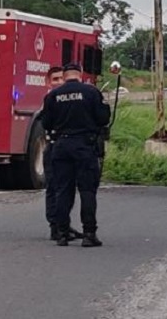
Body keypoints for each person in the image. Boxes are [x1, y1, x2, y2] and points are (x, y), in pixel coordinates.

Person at [42, 62, 111, 247]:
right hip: (84, 146)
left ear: (64, 76)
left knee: (63, 190)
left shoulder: (54, 95)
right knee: (87, 191)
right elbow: (103, 119)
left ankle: (62, 233)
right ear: (80, 75)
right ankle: (89, 233)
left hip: (61, 146)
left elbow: (46, 123)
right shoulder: (91, 92)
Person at [43, 66, 84, 242]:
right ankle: (55, 226)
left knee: (67, 188)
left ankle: (63, 224)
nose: (59, 82)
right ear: (48, 82)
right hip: (53, 146)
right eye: (55, 79)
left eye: (61, 78)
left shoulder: (64, 98)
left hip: (64, 146)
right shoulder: (50, 99)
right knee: (54, 187)